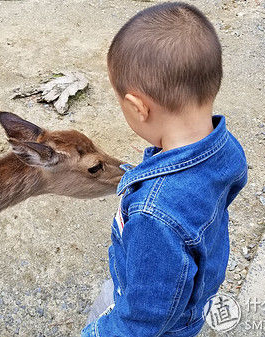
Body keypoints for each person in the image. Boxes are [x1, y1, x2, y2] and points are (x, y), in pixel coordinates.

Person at [81, 2, 248, 336]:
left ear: (137, 107)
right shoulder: (225, 145)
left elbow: (144, 319)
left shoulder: (153, 215)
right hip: (195, 296)